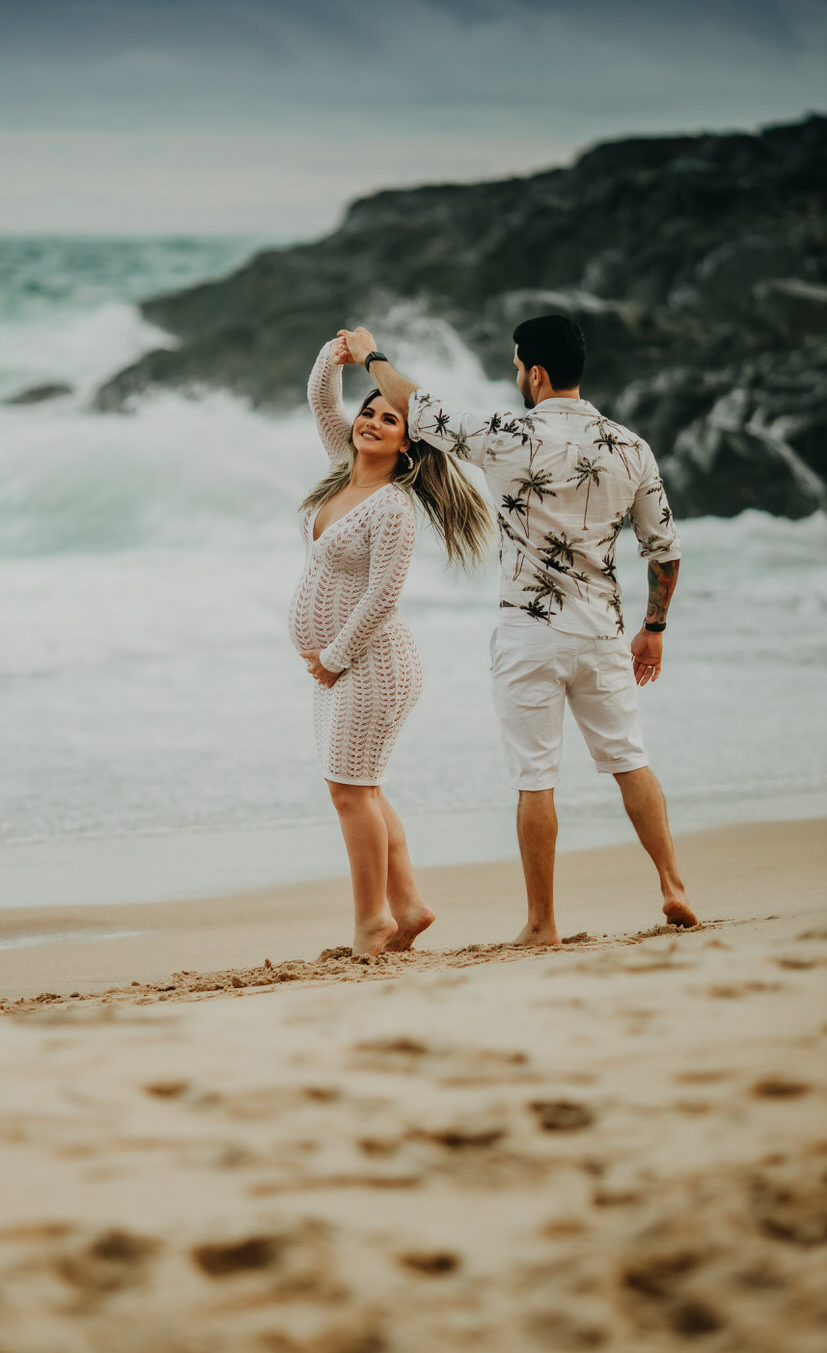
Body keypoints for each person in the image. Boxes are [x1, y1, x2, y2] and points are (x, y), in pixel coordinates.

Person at [340, 316, 698, 944]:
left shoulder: (505, 433)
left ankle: (542, 923)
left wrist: (372, 356)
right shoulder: (631, 447)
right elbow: (663, 550)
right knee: (629, 760)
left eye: (515, 368)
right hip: (602, 632)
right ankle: (673, 885)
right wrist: (654, 629)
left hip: (527, 636)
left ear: (534, 372)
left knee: (536, 778)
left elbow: (412, 404)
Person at [290, 336, 493, 956]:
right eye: (369, 412)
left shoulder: (394, 506)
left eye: (389, 418)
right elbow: (322, 401)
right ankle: (407, 906)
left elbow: (383, 598)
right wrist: (336, 353)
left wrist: (333, 658)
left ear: (408, 442)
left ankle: (371, 920)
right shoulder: (339, 471)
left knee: (351, 792)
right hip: (346, 669)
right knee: (362, 789)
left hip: (374, 666)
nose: (372, 422)